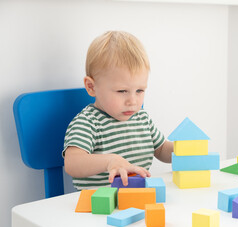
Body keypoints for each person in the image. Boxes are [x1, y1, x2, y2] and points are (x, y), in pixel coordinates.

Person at [62, 31, 173, 190]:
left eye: (140, 91)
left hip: (136, 200)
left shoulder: (141, 118)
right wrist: (109, 161)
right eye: (122, 91)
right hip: (98, 208)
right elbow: (73, 163)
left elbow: (161, 149)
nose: (133, 101)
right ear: (91, 87)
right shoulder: (88, 122)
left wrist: (182, 150)